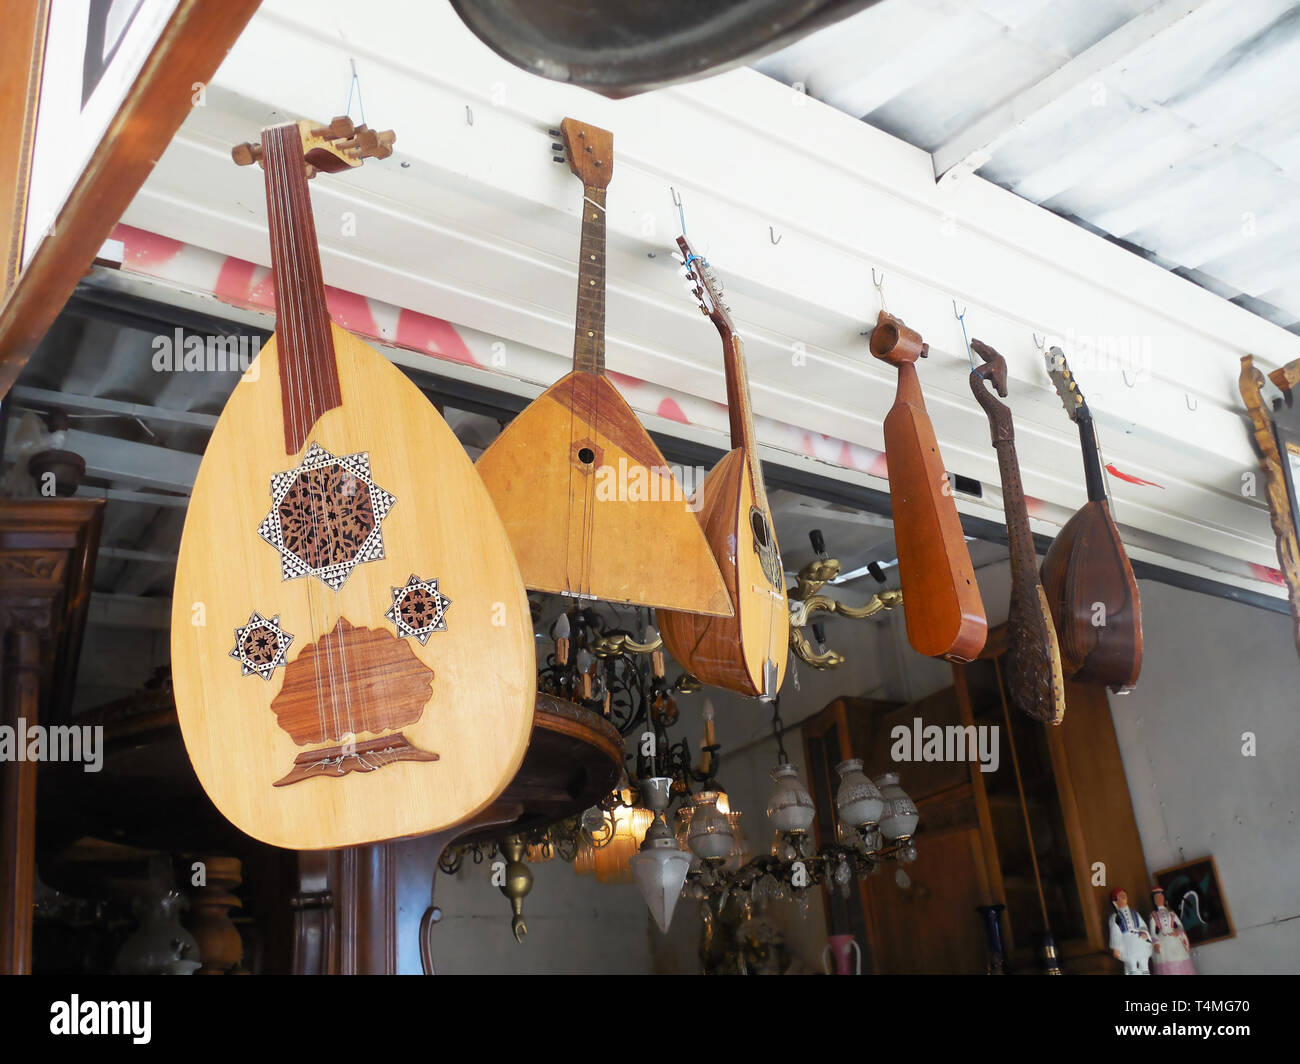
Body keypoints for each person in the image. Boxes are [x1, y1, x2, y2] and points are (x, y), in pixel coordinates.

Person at [1148, 885, 1196, 975]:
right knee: (1167, 964)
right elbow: (1152, 931)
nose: (1159, 899)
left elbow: (1180, 926)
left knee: (1180, 960)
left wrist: (1178, 931)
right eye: (1156, 898)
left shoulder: (1171, 913)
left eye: (1160, 897)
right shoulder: (1153, 915)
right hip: (1162, 941)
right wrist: (1156, 943)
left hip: (1175, 939)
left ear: (1164, 898)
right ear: (1153, 900)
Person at [1108, 887, 1152, 975]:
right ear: (1115, 902)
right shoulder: (1115, 917)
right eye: (1120, 896)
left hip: (1139, 941)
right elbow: (1115, 933)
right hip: (1127, 943)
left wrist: (1145, 932)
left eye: (1124, 895)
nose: (1124, 896)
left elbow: (1143, 925)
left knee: (1144, 963)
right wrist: (1116, 948)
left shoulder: (1135, 913)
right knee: (1132, 964)